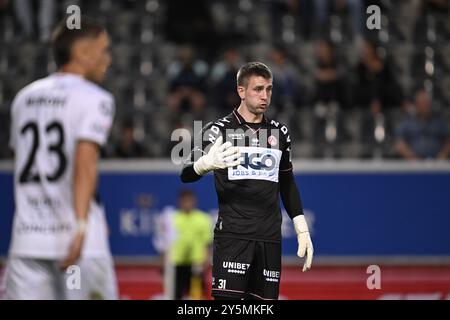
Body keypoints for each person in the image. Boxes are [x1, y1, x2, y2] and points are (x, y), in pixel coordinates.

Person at [180, 62, 314, 300]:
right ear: (241, 91)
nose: (265, 96)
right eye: (258, 89)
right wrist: (204, 164)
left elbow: (287, 182)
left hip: (269, 238)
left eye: (269, 89)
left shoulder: (279, 133)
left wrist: (300, 225)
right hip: (233, 237)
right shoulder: (217, 130)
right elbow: (185, 173)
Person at [5, 17, 117, 299]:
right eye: (104, 50)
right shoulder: (95, 98)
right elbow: (84, 163)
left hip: (27, 241)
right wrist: (80, 227)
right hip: (77, 242)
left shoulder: (23, 98)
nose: (109, 59)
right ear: (82, 53)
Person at [154, 190, 213, 300]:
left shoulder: (203, 219)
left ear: (194, 201)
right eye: (184, 201)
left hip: (196, 264)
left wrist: (206, 261)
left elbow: (207, 243)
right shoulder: (171, 219)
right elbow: (163, 242)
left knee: (197, 296)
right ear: (179, 202)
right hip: (176, 263)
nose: (187, 204)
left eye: (189, 201)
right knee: (175, 295)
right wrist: (162, 261)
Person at [396, 89, 450, 160]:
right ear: (416, 104)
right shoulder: (407, 123)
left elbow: (448, 141)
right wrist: (412, 158)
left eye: (426, 103)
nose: (424, 106)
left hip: (437, 164)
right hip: (413, 164)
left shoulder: (439, 122)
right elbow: (399, 143)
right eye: (421, 103)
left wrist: (441, 157)